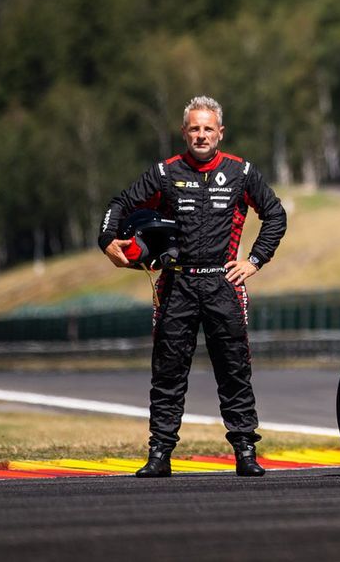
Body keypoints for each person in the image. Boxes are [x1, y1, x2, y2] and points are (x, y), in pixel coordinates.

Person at [99, 96, 288, 478]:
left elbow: (275, 215)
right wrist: (107, 241)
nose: (201, 135)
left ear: (220, 132)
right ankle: (159, 454)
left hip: (224, 284)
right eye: (194, 128)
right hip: (176, 284)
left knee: (234, 371)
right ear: (184, 133)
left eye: (208, 128)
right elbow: (119, 204)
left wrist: (254, 261)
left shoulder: (242, 172)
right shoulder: (164, 173)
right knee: (167, 373)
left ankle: (246, 451)